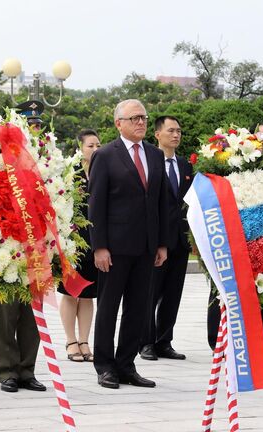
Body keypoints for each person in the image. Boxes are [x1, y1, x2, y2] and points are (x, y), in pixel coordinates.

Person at [88, 99, 169, 389]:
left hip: (146, 246)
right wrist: (99, 246)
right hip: (114, 247)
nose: (141, 122)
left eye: (144, 117)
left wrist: (161, 243)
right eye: (134, 118)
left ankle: (126, 364)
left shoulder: (155, 155)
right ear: (118, 123)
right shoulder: (106, 155)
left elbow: (161, 202)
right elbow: (96, 204)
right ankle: (105, 365)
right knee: (109, 307)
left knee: (138, 308)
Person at [0, 101, 47, 394]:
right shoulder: (2, 157)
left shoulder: (44, 157)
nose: (34, 130)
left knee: (33, 310)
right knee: (9, 310)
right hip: (11, 243)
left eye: (37, 125)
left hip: (38, 242)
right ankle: (7, 370)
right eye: (29, 125)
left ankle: (27, 369)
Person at [139, 116, 192, 362]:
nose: (176, 135)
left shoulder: (184, 164)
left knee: (173, 293)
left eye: (179, 131)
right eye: (171, 130)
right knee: (150, 292)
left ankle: (164, 340)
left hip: (181, 240)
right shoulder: (149, 161)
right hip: (157, 239)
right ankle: (146, 341)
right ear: (157, 134)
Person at [59, 129, 100, 363]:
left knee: (88, 296)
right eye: (90, 146)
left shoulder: (102, 172)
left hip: (96, 242)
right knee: (71, 293)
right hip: (73, 242)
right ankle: (70, 340)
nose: (95, 150)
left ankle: (85, 341)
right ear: (80, 149)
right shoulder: (70, 174)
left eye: (98, 145)